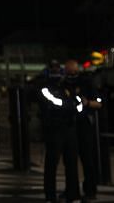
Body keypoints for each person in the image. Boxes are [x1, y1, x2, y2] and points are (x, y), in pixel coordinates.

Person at [39, 64, 81, 203]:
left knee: (71, 163)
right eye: (54, 70)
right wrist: (70, 106)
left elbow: (78, 104)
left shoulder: (67, 87)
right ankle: (50, 196)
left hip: (69, 128)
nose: (57, 73)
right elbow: (55, 102)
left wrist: (72, 105)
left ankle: (73, 194)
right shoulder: (46, 88)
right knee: (51, 164)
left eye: (59, 70)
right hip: (54, 130)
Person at [65, 59, 102, 200]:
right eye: (68, 71)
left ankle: (90, 189)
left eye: (72, 71)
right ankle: (72, 190)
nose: (70, 74)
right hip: (69, 125)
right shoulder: (64, 83)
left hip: (83, 124)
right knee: (70, 161)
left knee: (87, 159)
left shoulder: (86, 83)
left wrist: (87, 103)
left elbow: (98, 103)